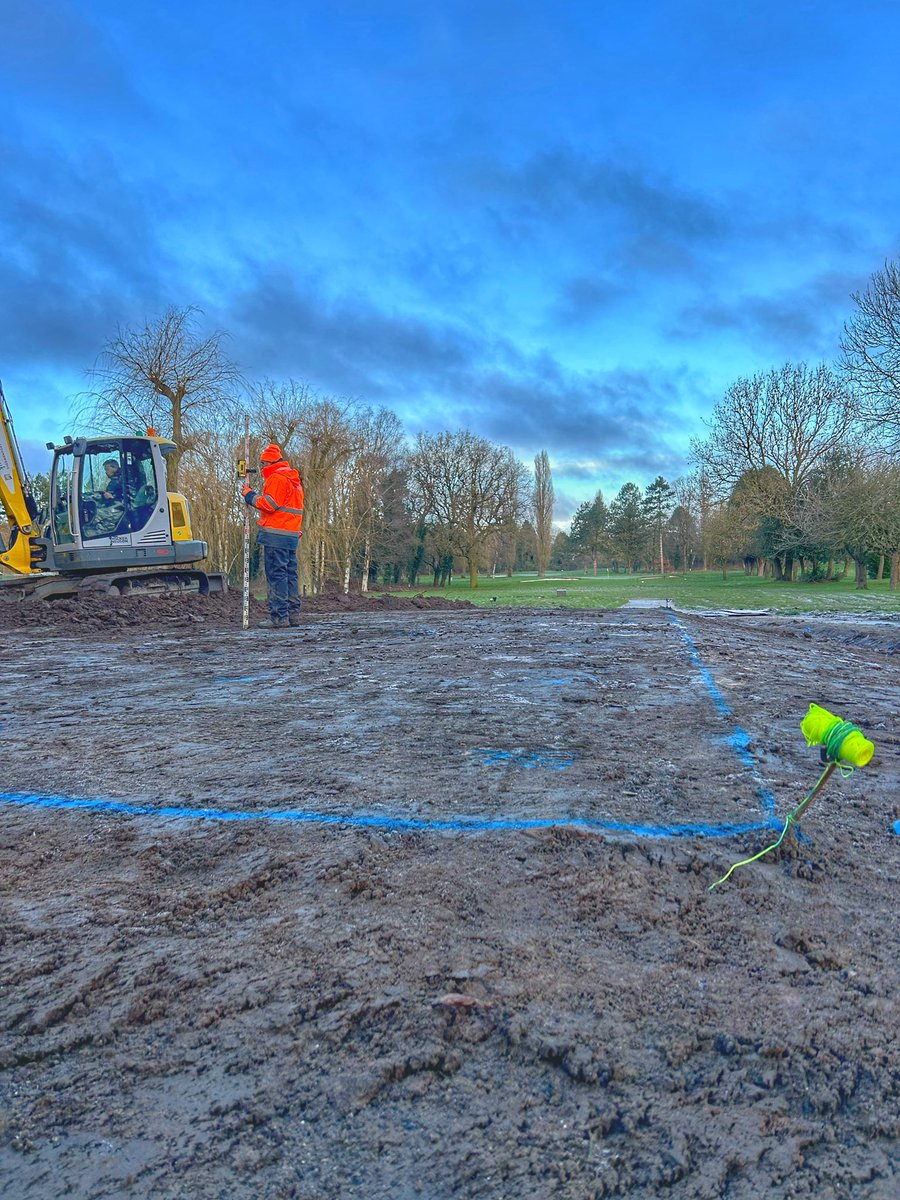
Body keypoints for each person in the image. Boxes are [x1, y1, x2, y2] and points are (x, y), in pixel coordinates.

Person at [242, 443, 305, 628]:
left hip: (276, 535)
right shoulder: (295, 481)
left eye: (262, 464)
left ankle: (279, 617)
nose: (261, 468)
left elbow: (269, 504)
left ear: (268, 463)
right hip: (291, 535)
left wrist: (249, 495)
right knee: (290, 576)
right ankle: (293, 615)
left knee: (277, 576)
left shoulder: (277, 478)